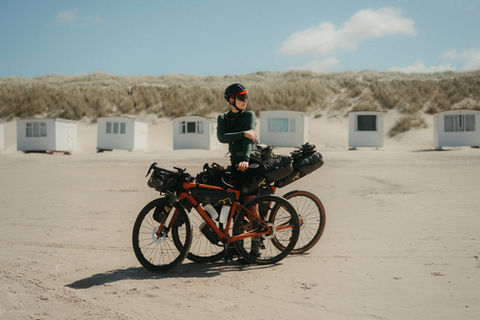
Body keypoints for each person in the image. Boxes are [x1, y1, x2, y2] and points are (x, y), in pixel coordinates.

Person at [217, 83, 262, 257]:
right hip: (235, 164)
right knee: (233, 206)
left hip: (249, 162)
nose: (245, 101)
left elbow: (249, 141)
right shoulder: (223, 118)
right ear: (231, 100)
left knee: (251, 205)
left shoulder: (249, 115)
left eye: (246, 97)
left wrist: (245, 158)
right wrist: (243, 133)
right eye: (242, 98)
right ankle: (237, 246)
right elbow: (222, 137)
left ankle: (256, 248)